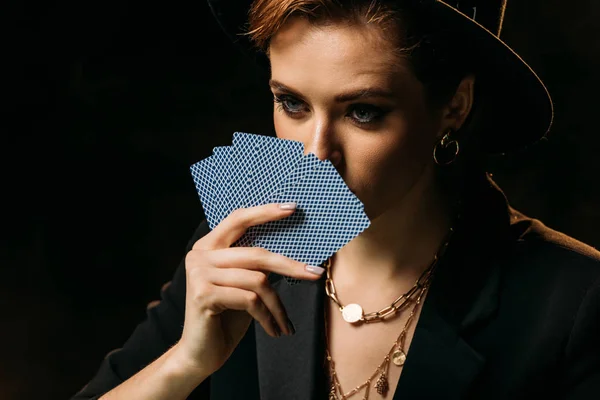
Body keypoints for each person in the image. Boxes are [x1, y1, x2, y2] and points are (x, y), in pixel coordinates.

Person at [71, 0, 600, 399]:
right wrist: (186, 362)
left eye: (363, 111)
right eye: (292, 104)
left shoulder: (574, 301)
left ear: (453, 106)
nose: (316, 154)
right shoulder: (236, 251)